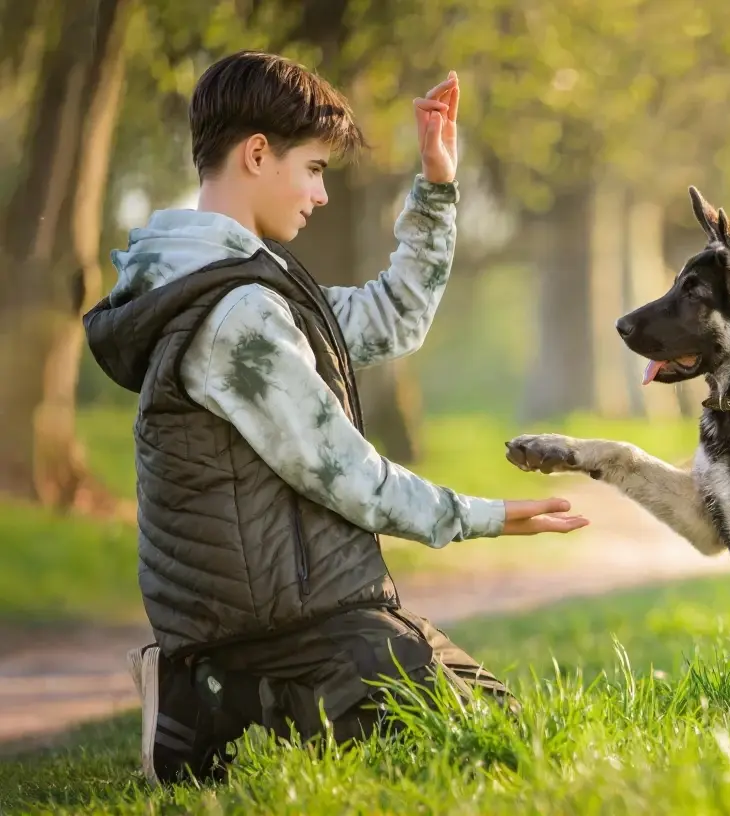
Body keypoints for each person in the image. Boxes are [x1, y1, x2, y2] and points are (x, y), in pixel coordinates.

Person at [82, 50, 588, 786]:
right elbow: (350, 476)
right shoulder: (234, 315)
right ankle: (206, 705)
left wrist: (437, 187)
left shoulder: (246, 283)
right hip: (282, 629)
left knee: (496, 725)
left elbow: (390, 320)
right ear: (257, 153)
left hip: (301, 609)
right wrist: (488, 515)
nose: (321, 195)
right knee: (488, 745)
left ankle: (214, 701)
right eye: (315, 169)